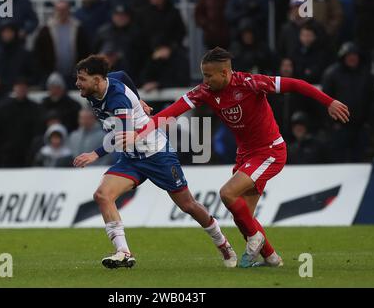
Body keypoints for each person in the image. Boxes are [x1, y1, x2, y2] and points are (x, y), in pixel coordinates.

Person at [124, 47, 349, 268]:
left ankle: (254, 239)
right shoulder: (205, 91)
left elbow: (295, 84)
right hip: (245, 155)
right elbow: (170, 112)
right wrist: (138, 132)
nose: (206, 80)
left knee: (227, 194)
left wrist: (328, 101)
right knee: (244, 217)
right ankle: (272, 258)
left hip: (269, 151)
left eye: (209, 75)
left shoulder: (250, 83)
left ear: (225, 73)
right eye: (204, 75)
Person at [72, 55, 237, 269]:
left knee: (188, 205)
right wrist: (139, 99)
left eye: (82, 79)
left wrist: (95, 154)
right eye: (78, 78)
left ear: (97, 79)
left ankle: (223, 243)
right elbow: (123, 75)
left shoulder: (117, 100)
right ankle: (123, 252)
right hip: (132, 158)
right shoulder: (105, 82)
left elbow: (123, 136)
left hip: (156, 155)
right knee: (102, 195)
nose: (77, 84)